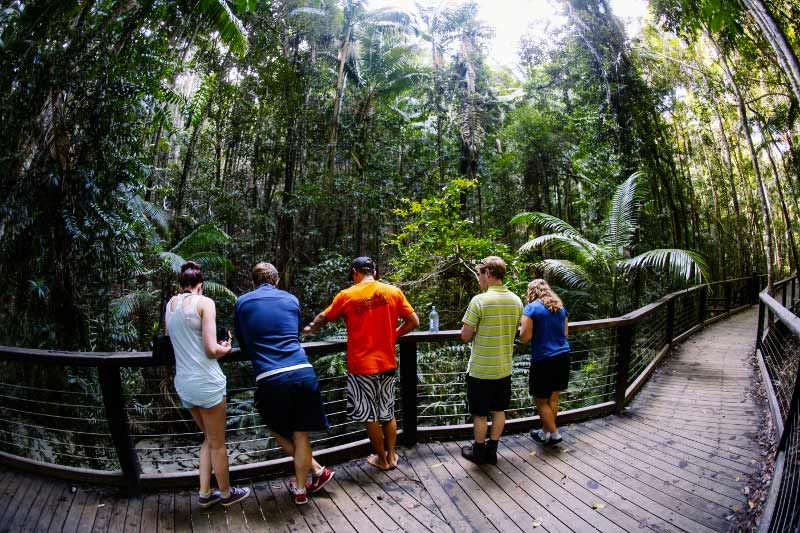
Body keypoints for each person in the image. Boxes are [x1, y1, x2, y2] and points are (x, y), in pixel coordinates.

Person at [304, 256, 419, 471]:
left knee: (369, 415)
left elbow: (324, 317)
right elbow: (414, 321)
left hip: (361, 366)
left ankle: (381, 459)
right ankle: (392, 456)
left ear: (356, 273)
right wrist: (394, 335)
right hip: (387, 362)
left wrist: (310, 329)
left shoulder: (347, 295)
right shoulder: (393, 292)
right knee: (388, 411)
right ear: (374, 272)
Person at [234, 262, 334, 505]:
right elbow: (294, 333)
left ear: (253, 282)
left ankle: (317, 473)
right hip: (302, 370)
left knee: (276, 427)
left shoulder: (242, 303)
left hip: (271, 376)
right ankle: (303, 488)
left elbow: (244, 344)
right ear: (277, 281)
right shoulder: (291, 300)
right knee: (301, 434)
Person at [164, 261, 250, 508]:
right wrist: (227, 347)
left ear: (181, 285)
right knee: (218, 443)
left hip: (184, 383)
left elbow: (173, 340)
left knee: (208, 438)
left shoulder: (170, 305)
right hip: (207, 382)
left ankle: (204, 493)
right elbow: (211, 349)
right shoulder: (205, 303)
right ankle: (226, 494)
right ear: (200, 286)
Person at [460, 256, 523, 465]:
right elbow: (513, 332)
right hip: (504, 368)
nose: (479, 279)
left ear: (487, 273)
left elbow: (465, 335)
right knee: (499, 410)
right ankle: (492, 451)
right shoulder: (516, 300)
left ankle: (478, 453)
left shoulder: (479, 301)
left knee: (479, 414)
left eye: (479, 274)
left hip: (480, 370)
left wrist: (478, 327)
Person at [519, 279, 571, 447]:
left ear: (532, 292)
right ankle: (544, 432)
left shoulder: (531, 308)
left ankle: (554, 434)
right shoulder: (560, 307)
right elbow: (565, 333)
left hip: (543, 359)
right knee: (553, 399)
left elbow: (525, 338)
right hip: (563, 356)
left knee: (541, 400)